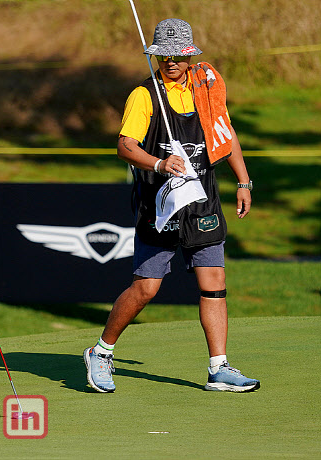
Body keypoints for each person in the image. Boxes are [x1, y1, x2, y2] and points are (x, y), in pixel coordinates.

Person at [84, 18, 260, 393]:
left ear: (190, 55)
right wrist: (159, 163)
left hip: (202, 200)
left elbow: (226, 136)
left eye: (178, 55)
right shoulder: (144, 95)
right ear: (156, 55)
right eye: (163, 54)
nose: (171, 62)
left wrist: (242, 181)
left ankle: (219, 368)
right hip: (159, 202)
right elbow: (125, 145)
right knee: (147, 287)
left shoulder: (204, 89)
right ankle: (101, 352)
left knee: (214, 281)